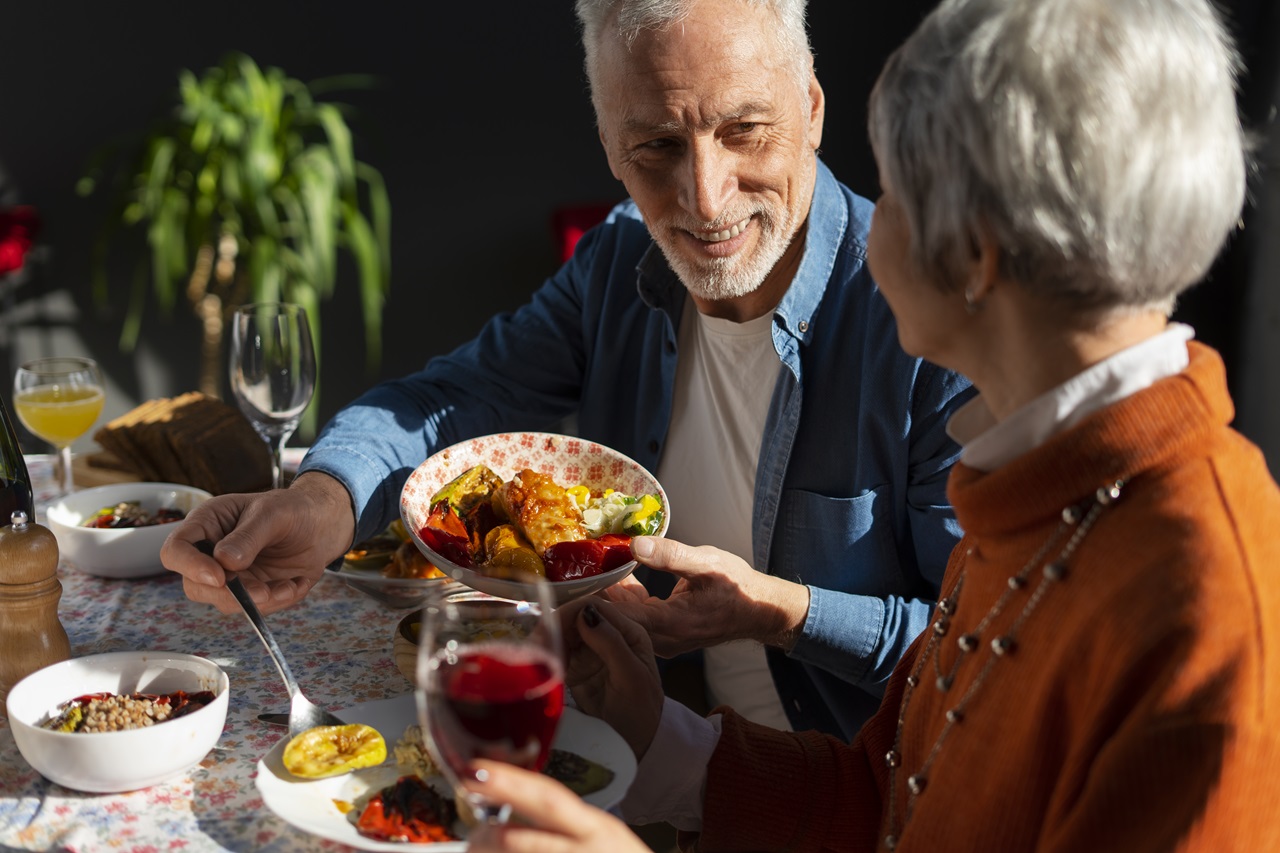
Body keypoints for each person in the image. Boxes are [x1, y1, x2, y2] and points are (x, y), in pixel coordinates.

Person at [459, 0, 1280, 850]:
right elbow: (893, 797)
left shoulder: (1210, 608)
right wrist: (655, 733)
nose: (862, 217)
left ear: (973, 250)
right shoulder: (1038, 489)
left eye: (894, 188)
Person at [161, 0, 973, 740]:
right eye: (656, 145)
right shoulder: (618, 260)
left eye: (745, 130)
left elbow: (981, 652)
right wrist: (322, 502)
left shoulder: (934, 325)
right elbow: (451, 400)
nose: (705, 194)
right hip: (643, 764)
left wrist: (778, 611)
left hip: (846, 797)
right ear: (612, 151)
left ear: (813, 110)